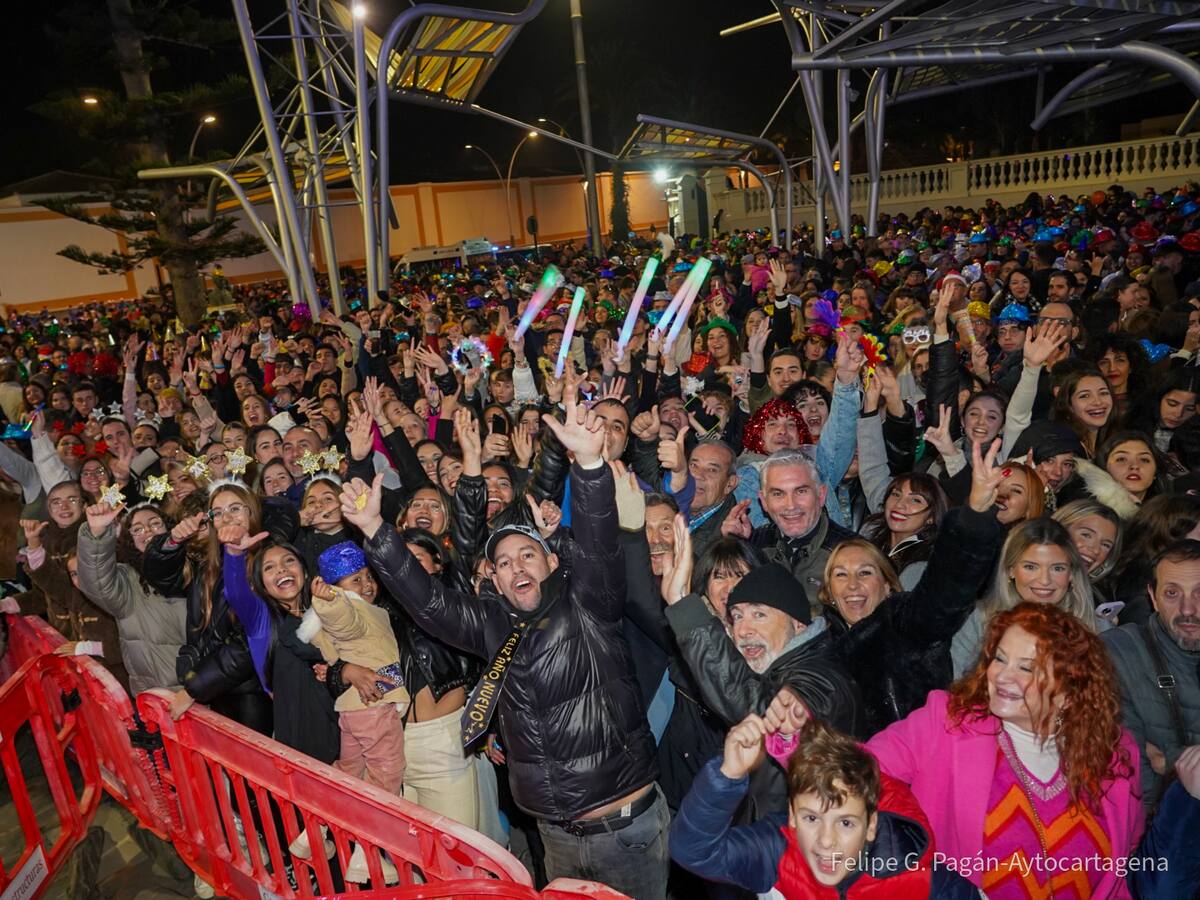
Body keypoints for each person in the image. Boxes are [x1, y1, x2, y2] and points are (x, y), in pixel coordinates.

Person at [343, 385, 669, 900]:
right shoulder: (490, 624)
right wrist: (375, 530)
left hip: (621, 830)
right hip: (555, 835)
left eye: (527, 555)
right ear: (492, 579)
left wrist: (587, 466)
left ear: (553, 562)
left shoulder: (589, 604)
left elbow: (601, 544)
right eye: (503, 562)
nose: (515, 565)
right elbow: (428, 602)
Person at [868, 603, 1145, 898]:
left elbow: (1127, 854)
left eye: (1026, 667)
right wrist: (933, 876)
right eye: (1000, 659)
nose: (1001, 676)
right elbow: (855, 775)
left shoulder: (1113, 754)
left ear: (1069, 691)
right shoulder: (945, 724)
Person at [670, 702, 977, 899]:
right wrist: (727, 775)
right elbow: (693, 850)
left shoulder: (924, 880)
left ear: (871, 826)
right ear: (791, 816)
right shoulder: (777, 850)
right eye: (811, 818)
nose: (826, 841)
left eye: (845, 822)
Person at [822, 438, 1007, 734]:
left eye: (866, 573)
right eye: (840, 575)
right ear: (829, 592)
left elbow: (945, 594)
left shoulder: (903, 626)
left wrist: (974, 517)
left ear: (887, 586)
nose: (853, 585)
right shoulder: (818, 646)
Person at [1103, 540, 1200, 809]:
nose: (1188, 609)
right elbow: (1129, 773)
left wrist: (1168, 761)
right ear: (1153, 597)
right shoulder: (1119, 652)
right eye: (1172, 593)